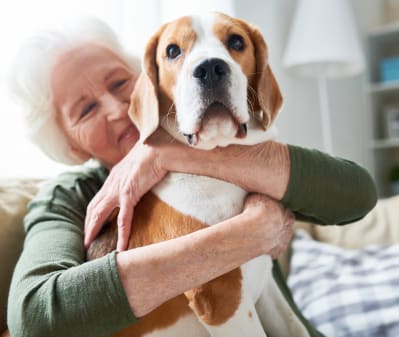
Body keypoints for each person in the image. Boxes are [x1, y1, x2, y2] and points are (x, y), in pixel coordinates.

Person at [6, 17, 377, 337]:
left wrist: (167, 153)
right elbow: (35, 318)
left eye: (120, 84)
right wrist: (249, 235)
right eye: (86, 109)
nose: (118, 109)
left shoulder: (219, 138)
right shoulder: (69, 196)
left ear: (150, 81)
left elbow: (357, 196)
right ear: (70, 145)